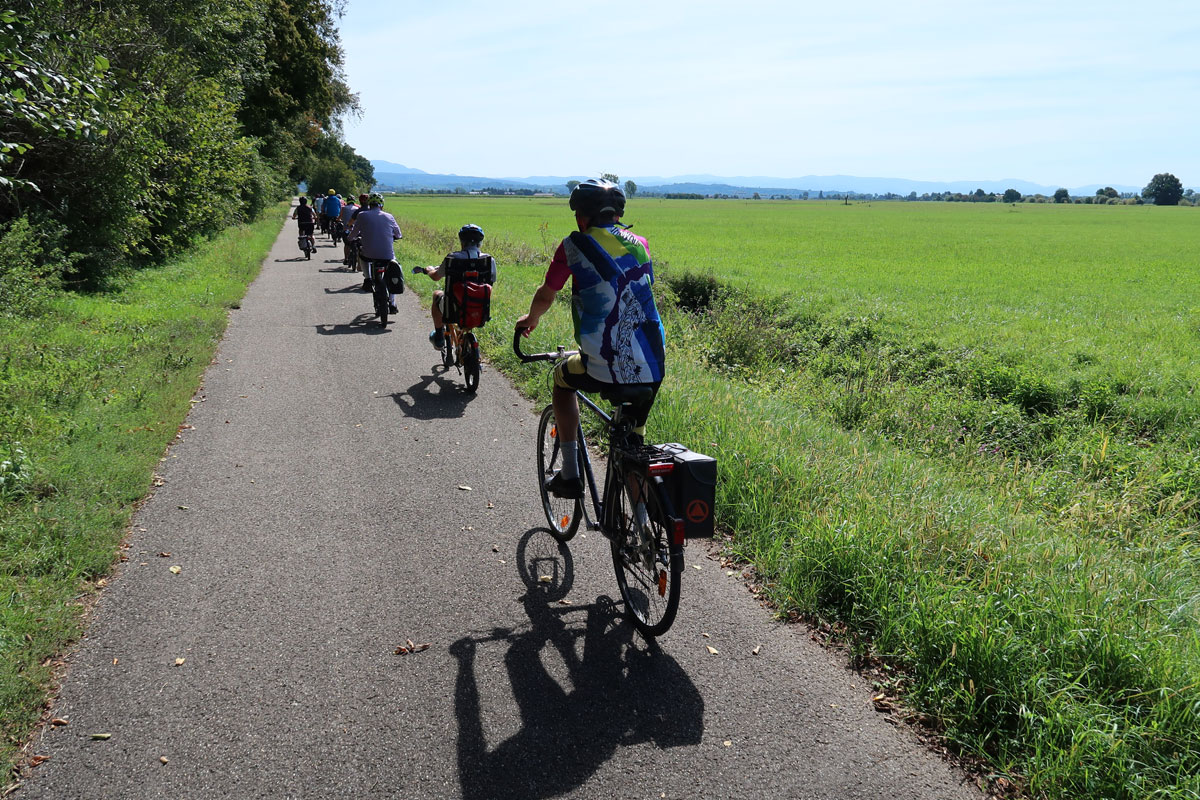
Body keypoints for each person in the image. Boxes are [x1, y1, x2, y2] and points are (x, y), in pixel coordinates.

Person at [516, 179, 665, 499]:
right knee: (633, 444)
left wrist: (531, 319)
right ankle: (643, 519)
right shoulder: (640, 244)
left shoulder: (573, 245)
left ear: (581, 217)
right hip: (653, 364)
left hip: (604, 363)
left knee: (561, 380)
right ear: (617, 215)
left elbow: (546, 294)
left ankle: (570, 474)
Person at [416, 224, 497, 349]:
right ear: (480, 242)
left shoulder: (452, 258)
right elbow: (492, 280)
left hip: (453, 309)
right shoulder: (489, 260)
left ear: (462, 241)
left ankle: (439, 336)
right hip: (479, 309)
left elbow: (436, 276)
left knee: (437, 295)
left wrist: (429, 270)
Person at [346, 193, 402, 312]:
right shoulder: (389, 216)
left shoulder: (362, 215)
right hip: (387, 255)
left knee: (362, 256)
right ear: (382, 205)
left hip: (369, 254)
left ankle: (368, 278)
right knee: (392, 270)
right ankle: (392, 302)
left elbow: (354, 232)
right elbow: (398, 234)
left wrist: (349, 239)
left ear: (369, 204)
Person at [337, 195, 359, 267]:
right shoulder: (357, 208)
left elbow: (340, 216)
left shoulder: (343, 208)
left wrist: (338, 220)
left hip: (346, 229)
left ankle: (346, 258)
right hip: (356, 230)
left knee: (346, 244)